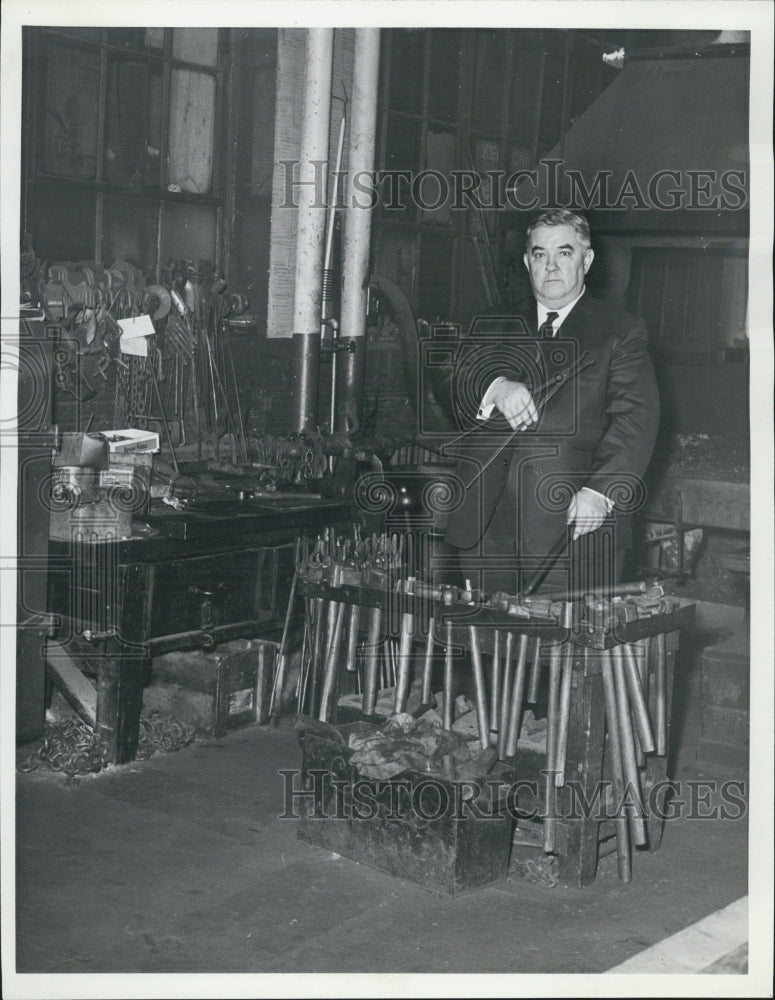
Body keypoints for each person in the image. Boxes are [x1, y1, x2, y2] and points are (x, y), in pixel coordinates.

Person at [431, 209, 659, 595]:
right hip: (487, 525)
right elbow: (447, 378)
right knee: (489, 647)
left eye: (564, 253)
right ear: (526, 261)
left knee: (563, 647)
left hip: (573, 527)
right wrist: (495, 385)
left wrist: (600, 491)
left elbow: (635, 419)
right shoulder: (494, 322)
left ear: (586, 260)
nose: (551, 266)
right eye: (540, 254)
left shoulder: (620, 331)